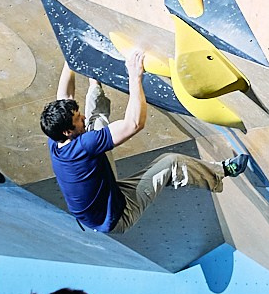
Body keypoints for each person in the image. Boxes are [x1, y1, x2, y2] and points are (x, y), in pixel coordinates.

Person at [40, 57, 247, 236]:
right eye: (77, 118)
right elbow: (134, 124)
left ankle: (95, 78)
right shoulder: (83, 146)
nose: (81, 117)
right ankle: (223, 171)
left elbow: (64, 96)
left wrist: (71, 59)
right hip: (117, 215)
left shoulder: (56, 137)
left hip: (101, 197)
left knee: (96, 123)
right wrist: (135, 76)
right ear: (67, 131)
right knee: (171, 163)